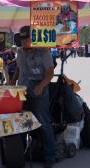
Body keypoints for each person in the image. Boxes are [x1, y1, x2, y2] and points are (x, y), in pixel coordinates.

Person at [10, 26, 56, 168]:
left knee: (43, 123)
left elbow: (50, 72)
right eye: (23, 40)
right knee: (21, 123)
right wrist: (12, 81)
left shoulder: (44, 51)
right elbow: (18, 68)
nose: (25, 43)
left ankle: (50, 157)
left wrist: (41, 85)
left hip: (39, 90)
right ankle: (20, 154)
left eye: (28, 39)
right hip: (22, 90)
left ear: (34, 39)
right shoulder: (20, 52)